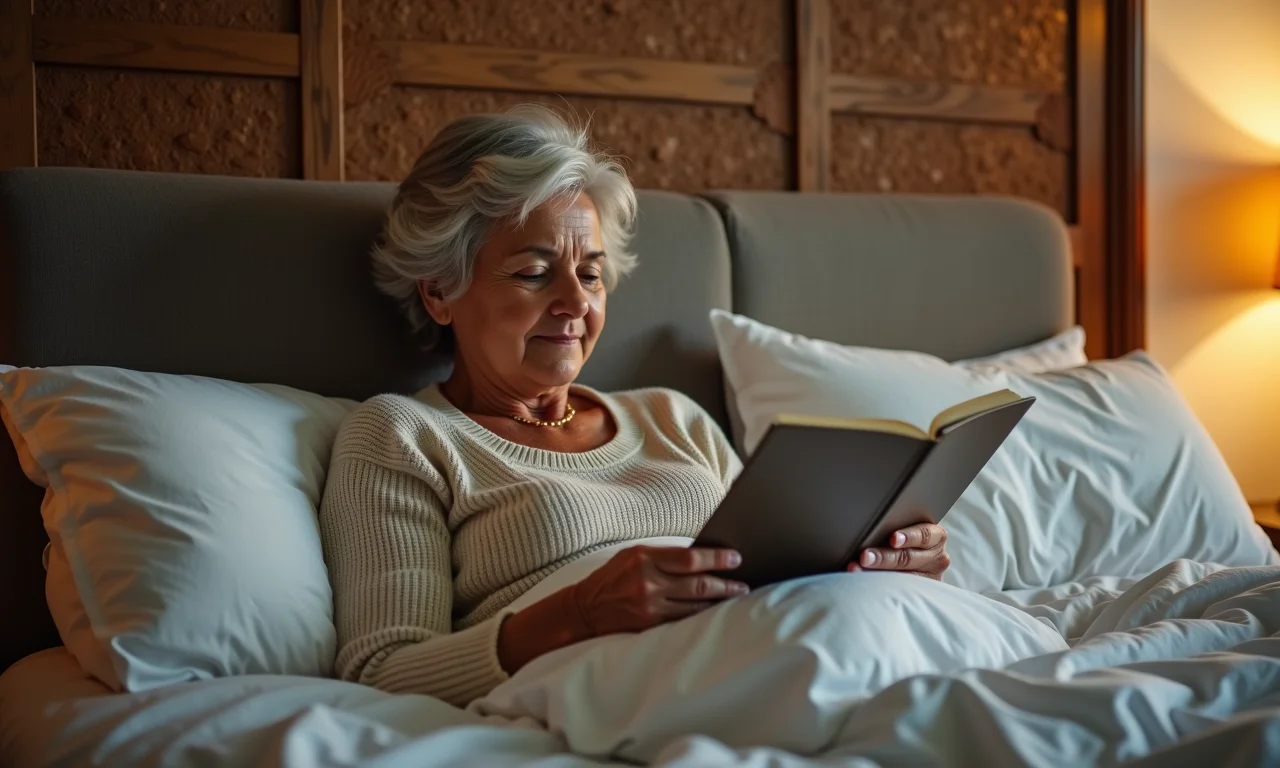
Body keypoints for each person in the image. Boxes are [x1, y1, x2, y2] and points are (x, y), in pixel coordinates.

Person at [317, 105, 952, 708]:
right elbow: (384, 673)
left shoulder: (673, 418)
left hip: (793, 656)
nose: (575, 303)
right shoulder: (402, 436)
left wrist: (884, 567)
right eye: (535, 273)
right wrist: (579, 613)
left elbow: (776, 576)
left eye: (590, 274)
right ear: (438, 292)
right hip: (641, 692)